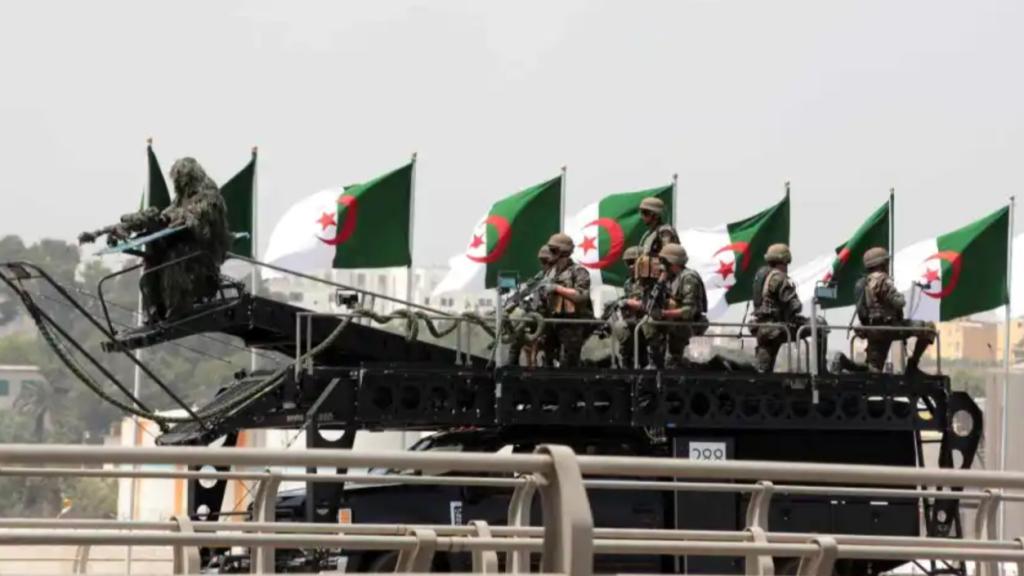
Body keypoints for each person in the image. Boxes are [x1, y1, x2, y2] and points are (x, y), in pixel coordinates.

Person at [78, 157, 231, 322]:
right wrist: (124, 226)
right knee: (153, 253)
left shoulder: (210, 198)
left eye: (181, 179)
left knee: (174, 254)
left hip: (203, 262)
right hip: (188, 261)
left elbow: (196, 220)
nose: (178, 183)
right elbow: (164, 215)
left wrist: (172, 218)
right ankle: (155, 308)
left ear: (190, 178)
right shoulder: (180, 200)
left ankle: (177, 306)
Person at [854, 246, 936, 374]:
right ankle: (912, 366)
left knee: (873, 371)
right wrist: (901, 295)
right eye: (886, 262)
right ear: (882, 263)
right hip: (889, 328)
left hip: (873, 330)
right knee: (929, 328)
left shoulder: (864, 282)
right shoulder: (882, 279)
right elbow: (899, 302)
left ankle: (844, 363)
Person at [628, 243, 708, 369]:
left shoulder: (688, 278)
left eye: (663, 261)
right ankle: (655, 360)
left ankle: (673, 360)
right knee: (647, 322)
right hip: (674, 321)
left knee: (671, 360)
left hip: (688, 322)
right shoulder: (670, 277)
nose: (660, 264)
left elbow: (689, 310)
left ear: (672, 262)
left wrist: (663, 313)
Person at [750, 243, 827, 373]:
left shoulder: (761, 276)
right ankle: (820, 370)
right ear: (783, 261)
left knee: (763, 371)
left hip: (761, 328)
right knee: (820, 325)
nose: (787, 267)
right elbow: (795, 306)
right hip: (778, 329)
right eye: (786, 263)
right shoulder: (779, 278)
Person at [540, 233, 593, 367]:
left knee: (569, 362)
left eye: (553, 250)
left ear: (562, 252)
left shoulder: (578, 271)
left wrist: (557, 288)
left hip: (572, 324)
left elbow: (581, 295)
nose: (550, 253)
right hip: (552, 321)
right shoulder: (549, 273)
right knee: (547, 360)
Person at [507, 245, 554, 367]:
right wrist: (512, 302)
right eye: (543, 261)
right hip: (536, 316)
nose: (544, 264)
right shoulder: (540, 276)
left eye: (547, 261)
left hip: (552, 319)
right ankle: (511, 368)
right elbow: (527, 289)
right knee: (517, 338)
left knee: (551, 344)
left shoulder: (561, 275)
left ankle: (550, 368)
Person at [633, 196, 679, 298]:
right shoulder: (649, 234)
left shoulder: (665, 232)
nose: (642, 216)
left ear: (655, 215)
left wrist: (660, 283)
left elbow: (670, 259)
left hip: (663, 286)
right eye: (642, 212)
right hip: (648, 285)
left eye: (645, 213)